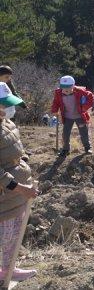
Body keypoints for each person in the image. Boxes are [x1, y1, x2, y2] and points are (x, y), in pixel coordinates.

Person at [0, 82, 38, 283]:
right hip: (5, 193)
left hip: (17, 192)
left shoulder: (7, 123)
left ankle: (8, 270)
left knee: (14, 234)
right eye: (3, 104)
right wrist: (20, 187)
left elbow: (17, 148)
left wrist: (23, 160)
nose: (8, 108)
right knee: (5, 235)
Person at [51, 75, 94, 156]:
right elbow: (55, 102)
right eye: (63, 87)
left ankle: (87, 148)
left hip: (80, 116)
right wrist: (54, 110)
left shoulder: (80, 91)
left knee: (83, 132)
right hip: (67, 117)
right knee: (65, 134)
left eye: (68, 87)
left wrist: (85, 108)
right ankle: (65, 149)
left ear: (73, 86)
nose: (66, 89)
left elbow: (91, 97)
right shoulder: (58, 93)